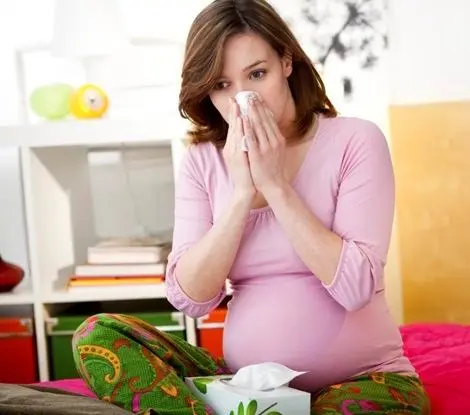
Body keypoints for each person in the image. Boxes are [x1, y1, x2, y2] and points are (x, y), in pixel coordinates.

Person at [72, 1, 430, 414]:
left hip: (363, 380)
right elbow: (191, 297)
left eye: (257, 74)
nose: (242, 98)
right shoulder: (203, 160)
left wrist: (276, 186)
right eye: (222, 85)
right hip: (246, 386)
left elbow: (355, 288)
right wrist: (241, 193)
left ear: (287, 62)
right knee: (97, 334)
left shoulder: (356, 141)